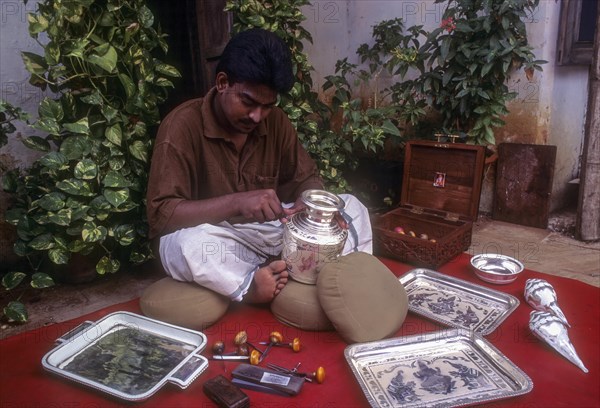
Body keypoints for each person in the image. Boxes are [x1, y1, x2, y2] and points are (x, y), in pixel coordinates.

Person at [142, 28, 372, 327]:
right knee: (185, 245)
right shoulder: (180, 127)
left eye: (267, 106)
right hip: (219, 241)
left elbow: (306, 180)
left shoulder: (276, 123)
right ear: (222, 82)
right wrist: (236, 203)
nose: (257, 116)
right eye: (248, 102)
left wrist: (310, 207)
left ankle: (343, 275)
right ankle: (251, 286)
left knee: (351, 206)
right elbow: (162, 216)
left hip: (275, 234)